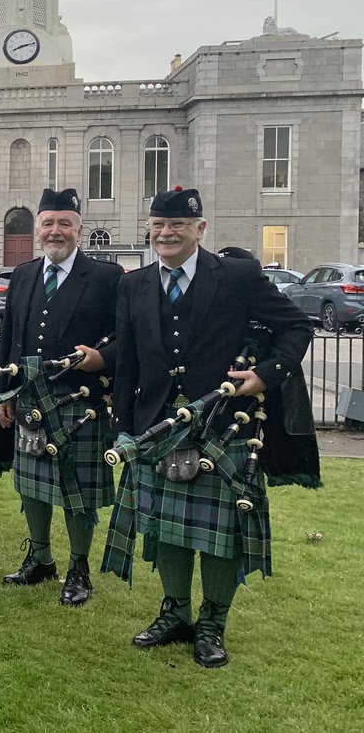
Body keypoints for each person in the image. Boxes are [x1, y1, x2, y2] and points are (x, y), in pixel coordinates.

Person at [107, 186, 312, 667]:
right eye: (158, 224)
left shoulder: (237, 275)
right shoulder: (133, 284)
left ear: (199, 230)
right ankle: (176, 612)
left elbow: (297, 325)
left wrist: (266, 374)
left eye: (178, 225)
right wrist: (123, 425)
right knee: (169, 530)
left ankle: (213, 623)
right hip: (158, 426)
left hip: (225, 427)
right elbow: (129, 362)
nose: (166, 232)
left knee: (220, 533)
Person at [0, 188, 120, 606]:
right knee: (31, 486)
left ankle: (79, 567)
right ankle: (41, 558)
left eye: (64, 223)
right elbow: (9, 339)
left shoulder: (107, 277)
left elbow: (127, 338)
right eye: (48, 223)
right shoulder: (24, 274)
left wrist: (102, 357)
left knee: (77, 489)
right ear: (38, 229)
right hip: (30, 397)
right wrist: (4, 392)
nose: (55, 231)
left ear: (79, 230)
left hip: (79, 403)